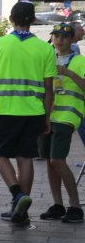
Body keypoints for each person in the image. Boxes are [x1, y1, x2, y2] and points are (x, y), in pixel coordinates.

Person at [0, 0, 55, 226]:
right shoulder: (45, 49)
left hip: (5, 110)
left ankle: (17, 194)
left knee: (0, 155)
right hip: (34, 112)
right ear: (33, 20)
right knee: (25, 157)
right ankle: (21, 212)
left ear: (11, 19)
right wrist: (47, 117)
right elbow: (49, 88)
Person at [40, 23, 85, 223]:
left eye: (64, 37)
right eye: (56, 36)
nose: (59, 40)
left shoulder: (81, 61)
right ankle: (57, 205)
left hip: (68, 116)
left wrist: (69, 74)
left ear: (72, 39)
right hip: (48, 116)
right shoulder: (48, 59)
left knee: (57, 160)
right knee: (50, 162)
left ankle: (75, 207)